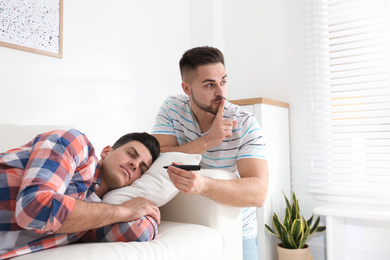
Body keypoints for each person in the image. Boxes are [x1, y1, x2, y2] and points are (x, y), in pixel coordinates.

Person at [152, 46, 269, 260]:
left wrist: (204, 185)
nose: (220, 92)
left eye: (223, 81)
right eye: (209, 85)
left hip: (237, 231)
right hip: (187, 224)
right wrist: (208, 141)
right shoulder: (172, 108)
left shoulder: (245, 123)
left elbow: (259, 193)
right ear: (187, 88)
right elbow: (157, 156)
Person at [0, 129, 161, 259]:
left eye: (142, 169)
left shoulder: (97, 217)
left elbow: (139, 231)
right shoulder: (76, 145)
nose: (135, 165)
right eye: (131, 154)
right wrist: (125, 212)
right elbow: (34, 209)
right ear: (106, 151)